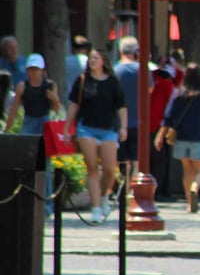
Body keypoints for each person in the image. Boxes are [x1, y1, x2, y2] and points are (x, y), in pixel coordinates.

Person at [63, 49, 127, 224]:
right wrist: (67, 128)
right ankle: (96, 208)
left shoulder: (113, 82)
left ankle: (104, 196)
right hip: (86, 128)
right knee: (91, 168)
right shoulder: (83, 80)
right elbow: (74, 105)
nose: (92, 61)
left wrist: (123, 127)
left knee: (109, 170)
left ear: (103, 61)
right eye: (91, 58)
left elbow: (121, 106)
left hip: (108, 129)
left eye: (96, 58)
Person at [154, 64, 200, 213]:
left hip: (181, 136)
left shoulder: (179, 93)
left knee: (187, 170)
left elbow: (169, 116)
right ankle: (194, 189)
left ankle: (189, 203)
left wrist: (160, 135)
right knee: (199, 170)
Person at [3, 54, 61, 216]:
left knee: (45, 165)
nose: (33, 72)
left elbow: (57, 109)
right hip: (29, 123)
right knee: (26, 164)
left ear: (42, 70)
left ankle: (47, 205)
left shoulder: (50, 85)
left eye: (36, 69)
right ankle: (26, 199)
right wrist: (7, 129)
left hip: (44, 122)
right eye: (30, 69)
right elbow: (14, 109)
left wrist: (54, 99)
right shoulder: (22, 87)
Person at [114, 36, 149, 182]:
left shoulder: (115, 70)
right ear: (136, 51)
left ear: (120, 50)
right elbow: (150, 90)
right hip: (139, 121)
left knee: (120, 160)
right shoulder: (143, 70)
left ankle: (123, 187)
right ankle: (134, 189)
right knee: (136, 160)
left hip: (117, 122)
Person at [150, 62, 178, 202]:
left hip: (141, 126)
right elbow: (169, 109)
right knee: (160, 162)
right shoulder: (168, 85)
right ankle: (158, 192)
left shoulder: (148, 81)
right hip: (158, 127)